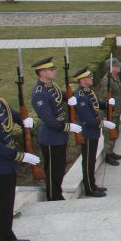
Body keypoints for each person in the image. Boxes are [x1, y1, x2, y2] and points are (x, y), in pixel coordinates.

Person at [30, 57, 82, 201]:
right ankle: (54, 198)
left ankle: (57, 194)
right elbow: (50, 121)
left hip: (59, 137)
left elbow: (60, 96)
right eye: (51, 69)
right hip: (51, 138)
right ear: (42, 73)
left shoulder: (51, 86)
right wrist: (68, 127)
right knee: (53, 172)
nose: (55, 71)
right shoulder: (39, 94)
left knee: (59, 169)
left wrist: (70, 98)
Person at [0, 73, 38, 241]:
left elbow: (12, 115)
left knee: (8, 203)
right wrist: (20, 156)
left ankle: (8, 235)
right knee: (1, 205)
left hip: (8, 164)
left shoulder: (1, 102)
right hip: (0, 165)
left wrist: (24, 121)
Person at [72, 67, 115, 197]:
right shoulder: (80, 96)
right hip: (88, 133)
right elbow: (88, 119)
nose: (91, 78)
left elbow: (95, 104)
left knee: (91, 161)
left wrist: (106, 103)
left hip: (93, 132)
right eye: (89, 77)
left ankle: (93, 184)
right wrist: (103, 123)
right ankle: (89, 189)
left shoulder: (88, 92)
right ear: (83, 80)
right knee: (88, 161)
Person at [99, 57, 121, 166]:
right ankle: (108, 155)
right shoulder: (106, 80)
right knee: (109, 134)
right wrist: (105, 114)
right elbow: (104, 98)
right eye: (117, 65)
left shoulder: (115, 77)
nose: (120, 66)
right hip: (110, 112)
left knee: (115, 133)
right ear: (112, 67)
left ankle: (111, 151)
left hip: (116, 111)